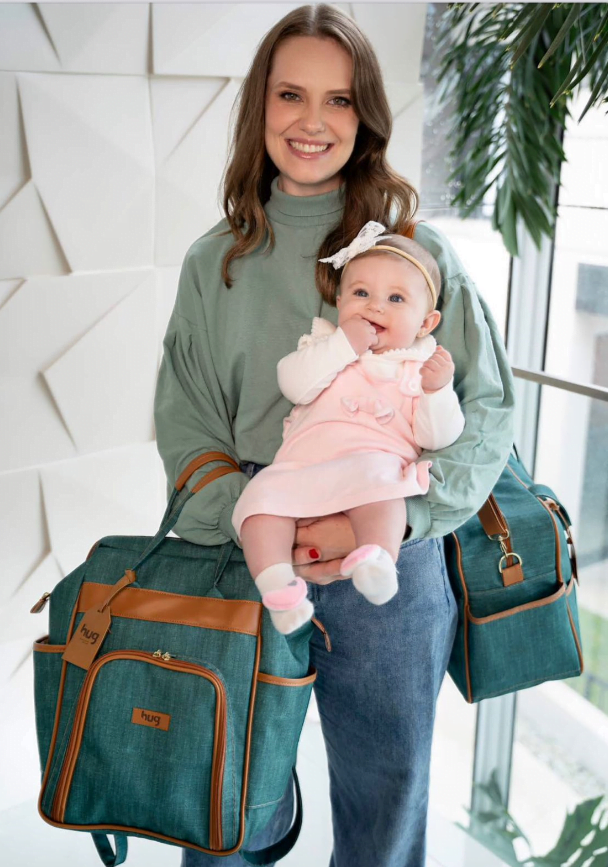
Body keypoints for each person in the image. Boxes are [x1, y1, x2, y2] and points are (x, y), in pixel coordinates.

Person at [153, 4, 514, 866]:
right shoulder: (215, 260)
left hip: (392, 550)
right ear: (261, 106)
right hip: (249, 546)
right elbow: (186, 418)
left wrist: (389, 523)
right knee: (224, 807)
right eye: (291, 94)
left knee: (386, 807)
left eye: (339, 99)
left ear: (366, 115)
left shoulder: (420, 255)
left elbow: (488, 409)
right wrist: (272, 525)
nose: (312, 121)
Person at [231, 227, 466, 634]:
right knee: (258, 505)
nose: (374, 306)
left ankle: (378, 560)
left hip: (372, 466)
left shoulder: (418, 368)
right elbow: (293, 384)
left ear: (425, 323)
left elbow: (436, 438)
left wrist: (437, 391)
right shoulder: (323, 347)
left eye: (395, 299)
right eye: (360, 293)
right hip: (301, 467)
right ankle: (279, 590)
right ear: (339, 302)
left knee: (385, 495)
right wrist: (343, 345)